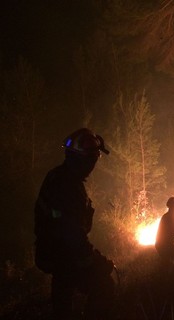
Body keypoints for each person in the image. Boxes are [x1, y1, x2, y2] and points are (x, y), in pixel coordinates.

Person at [34, 128, 114, 320]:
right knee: (104, 285)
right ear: (82, 159)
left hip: (52, 252)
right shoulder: (67, 186)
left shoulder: (58, 176)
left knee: (63, 297)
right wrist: (95, 260)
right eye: (92, 159)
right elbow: (71, 234)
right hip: (62, 256)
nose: (94, 165)